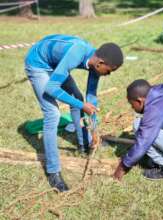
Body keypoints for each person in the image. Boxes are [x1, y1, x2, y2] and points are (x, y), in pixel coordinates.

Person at [25, 34, 123, 192]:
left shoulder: (94, 62)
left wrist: (94, 129)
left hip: (55, 64)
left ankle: (84, 144)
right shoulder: (77, 53)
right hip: (38, 64)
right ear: (101, 63)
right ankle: (53, 172)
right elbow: (51, 88)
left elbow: (91, 97)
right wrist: (82, 105)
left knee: (77, 97)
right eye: (109, 71)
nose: (108, 74)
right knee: (52, 114)